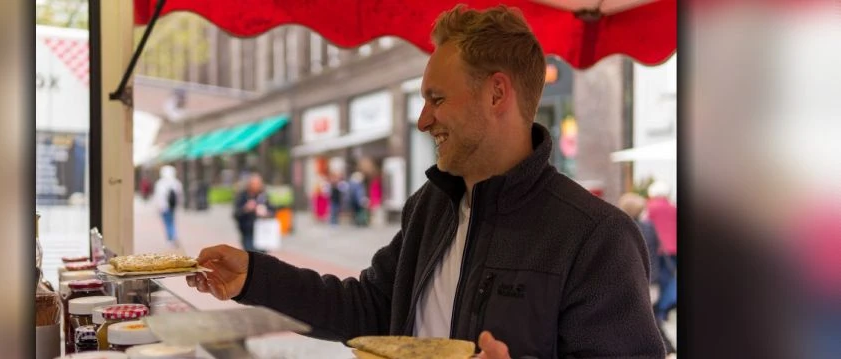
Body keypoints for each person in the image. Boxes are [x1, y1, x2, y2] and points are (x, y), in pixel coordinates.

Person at [188, 5, 664, 358]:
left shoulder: (597, 237)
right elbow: (370, 307)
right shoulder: (430, 206)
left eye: (436, 98)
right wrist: (256, 277)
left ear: (497, 92)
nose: (422, 120)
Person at [618, 193, 676, 355]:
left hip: (635, 280)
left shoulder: (622, 230)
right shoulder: (648, 227)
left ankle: (665, 348)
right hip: (652, 279)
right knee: (650, 317)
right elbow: (658, 250)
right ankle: (666, 348)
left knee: (646, 320)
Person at [646, 181, 677, 322]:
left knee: (657, 279)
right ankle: (664, 309)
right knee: (669, 279)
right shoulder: (673, 208)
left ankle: (658, 310)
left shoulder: (650, 208)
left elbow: (646, 227)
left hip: (658, 249)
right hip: (673, 249)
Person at [232, 174, 271, 253]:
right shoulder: (243, 196)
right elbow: (236, 214)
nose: (256, 186)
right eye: (253, 184)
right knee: (250, 255)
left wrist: (266, 213)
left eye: (258, 184)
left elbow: (272, 210)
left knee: (262, 256)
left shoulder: (263, 196)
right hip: (247, 232)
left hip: (262, 232)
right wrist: (246, 208)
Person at [153, 165, 183, 246]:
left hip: (164, 207)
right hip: (172, 206)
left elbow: (158, 196)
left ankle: (171, 238)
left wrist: (158, 207)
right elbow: (180, 195)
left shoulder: (160, 183)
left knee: (167, 223)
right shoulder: (176, 182)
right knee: (172, 222)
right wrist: (178, 205)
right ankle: (174, 236)